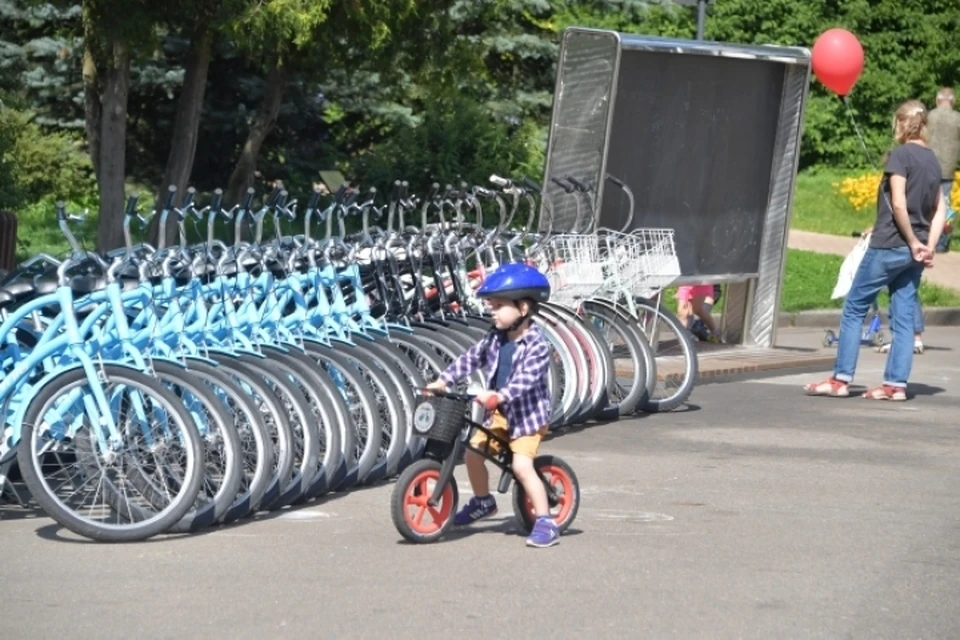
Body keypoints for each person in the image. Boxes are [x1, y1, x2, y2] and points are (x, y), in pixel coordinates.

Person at [804, 100, 947, 401]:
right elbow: (940, 209)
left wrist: (910, 240)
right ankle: (895, 386)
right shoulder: (932, 160)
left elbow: (898, 203)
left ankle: (840, 379)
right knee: (904, 317)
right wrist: (928, 246)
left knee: (855, 307)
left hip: (891, 245)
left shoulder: (900, 155)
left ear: (901, 124)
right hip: (914, 252)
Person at [425, 262, 558, 548]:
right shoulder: (495, 338)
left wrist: (500, 395)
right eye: (491, 305)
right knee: (473, 454)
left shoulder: (537, 345)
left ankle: (546, 521)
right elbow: (470, 358)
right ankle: (483, 501)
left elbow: (526, 380)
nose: (492, 310)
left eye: (498, 305)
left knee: (522, 467)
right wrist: (443, 380)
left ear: (523, 309)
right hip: (498, 416)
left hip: (527, 419)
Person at [927, 87, 960, 209]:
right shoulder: (958, 118)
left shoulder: (928, 116)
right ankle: (943, 226)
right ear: (953, 101)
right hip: (948, 169)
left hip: (928, 166)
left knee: (927, 200)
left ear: (937, 100)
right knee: (944, 201)